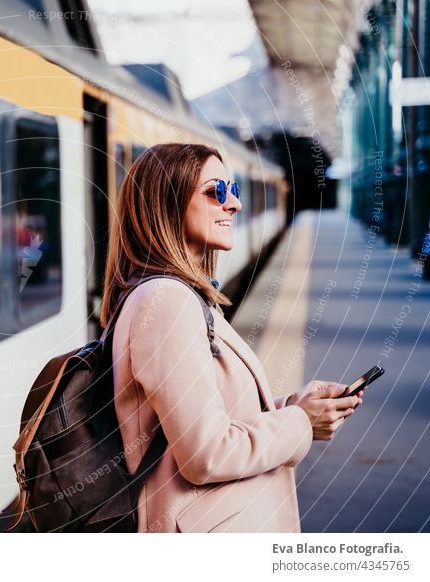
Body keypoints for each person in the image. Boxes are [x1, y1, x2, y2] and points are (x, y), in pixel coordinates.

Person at [101, 143, 364, 533]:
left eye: (234, 190)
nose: (234, 205)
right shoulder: (166, 301)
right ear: (166, 204)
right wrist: (299, 422)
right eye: (216, 192)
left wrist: (292, 404)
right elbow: (206, 454)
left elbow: (202, 417)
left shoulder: (174, 294)